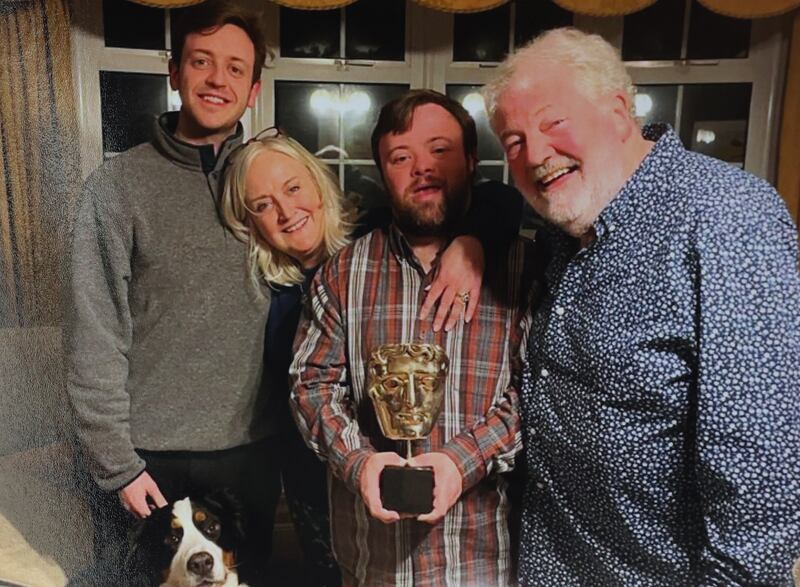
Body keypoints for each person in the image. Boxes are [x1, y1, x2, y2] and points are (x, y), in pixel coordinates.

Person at [482, 27, 800, 586]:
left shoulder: (727, 217)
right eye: (512, 142)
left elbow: (762, 472)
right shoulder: (565, 229)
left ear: (618, 110)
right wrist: (466, 241)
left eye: (553, 122)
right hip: (551, 567)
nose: (534, 154)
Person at [219, 125, 522, 584]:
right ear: (249, 220)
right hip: (317, 477)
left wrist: (471, 241)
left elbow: (499, 197)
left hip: (442, 498)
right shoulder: (265, 291)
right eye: (262, 205)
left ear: (318, 183)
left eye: (293, 187)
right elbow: (307, 386)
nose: (285, 211)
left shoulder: (377, 237)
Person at [288, 89, 540, 586]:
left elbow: (535, 394)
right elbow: (311, 384)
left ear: (472, 160)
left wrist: (458, 463)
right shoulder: (343, 272)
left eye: (439, 150)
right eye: (401, 157)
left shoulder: (523, 269)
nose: (421, 167)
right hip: (369, 561)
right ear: (383, 173)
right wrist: (359, 464)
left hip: (481, 560)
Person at [66, 2, 274, 584]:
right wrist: (117, 466)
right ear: (175, 73)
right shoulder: (118, 185)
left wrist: (476, 240)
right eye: (201, 62)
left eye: (236, 68)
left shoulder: (270, 180)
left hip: (251, 451)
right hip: (146, 459)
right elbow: (93, 330)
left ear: (254, 88)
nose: (217, 79)